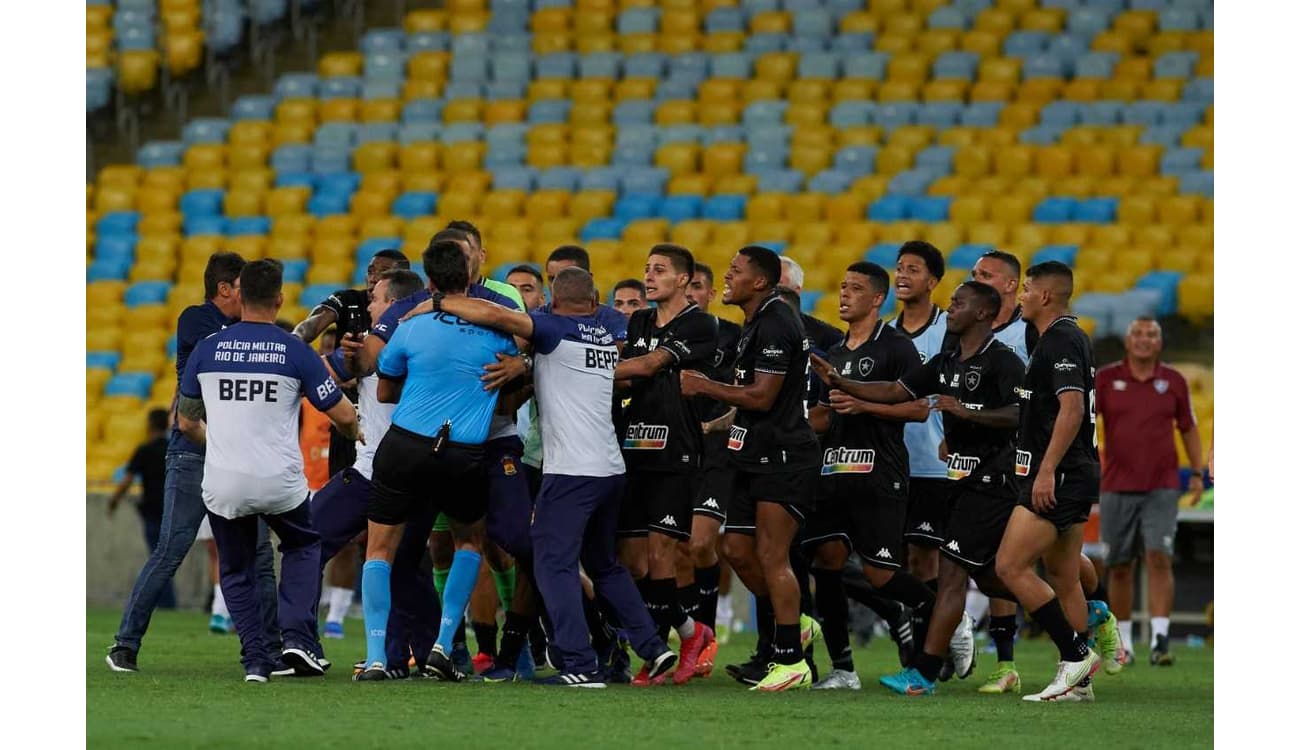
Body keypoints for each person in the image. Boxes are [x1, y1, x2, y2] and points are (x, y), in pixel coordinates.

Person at [432, 266, 679, 688]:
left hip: (571, 472)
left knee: (552, 563)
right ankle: (654, 648)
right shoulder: (601, 336)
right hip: (609, 468)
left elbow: (499, 317)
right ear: (594, 300)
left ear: (554, 301)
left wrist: (440, 301)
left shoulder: (551, 327)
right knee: (604, 564)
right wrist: (525, 364)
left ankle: (579, 663)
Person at [820, 282, 1026, 696]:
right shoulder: (946, 358)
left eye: (959, 303)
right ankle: (1065, 617)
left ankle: (925, 672)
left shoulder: (1003, 359)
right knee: (986, 577)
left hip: (987, 480)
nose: (951, 308)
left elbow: (1020, 413)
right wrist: (846, 385)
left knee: (952, 571)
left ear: (984, 313)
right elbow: (898, 390)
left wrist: (967, 413)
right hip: (954, 477)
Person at [176, 259, 361, 682]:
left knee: (236, 568)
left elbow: (186, 420)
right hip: (280, 481)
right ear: (279, 299)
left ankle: (256, 661)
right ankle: (296, 638)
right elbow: (342, 413)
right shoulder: (294, 349)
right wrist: (355, 428)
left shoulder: (207, 348)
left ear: (239, 298)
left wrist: (220, 443)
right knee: (304, 545)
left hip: (224, 480)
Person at [107, 252, 281, 674]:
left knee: (259, 554)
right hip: (194, 450)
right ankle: (125, 644)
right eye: (243, 287)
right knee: (171, 548)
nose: (250, 297)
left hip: (234, 450)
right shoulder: (195, 319)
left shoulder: (242, 327)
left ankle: (273, 650)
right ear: (224, 289)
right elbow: (240, 349)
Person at [354, 241, 519, 681]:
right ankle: (444, 646)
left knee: (380, 551)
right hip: (463, 452)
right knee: (469, 542)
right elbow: (515, 378)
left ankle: (374, 657)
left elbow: (385, 386)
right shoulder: (498, 332)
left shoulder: (410, 327)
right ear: (469, 277)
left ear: (428, 282)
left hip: (406, 444)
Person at [679, 245, 822, 692]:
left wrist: (706, 386)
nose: (727, 277)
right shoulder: (758, 320)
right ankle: (793, 621)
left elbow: (762, 397)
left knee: (772, 556)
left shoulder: (777, 322)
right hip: (751, 453)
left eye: (735, 271)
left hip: (782, 457)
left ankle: (791, 659)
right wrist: (720, 424)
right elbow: (757, 399)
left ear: (760, 281)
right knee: (736, 549)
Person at [798, 263, 935, 691]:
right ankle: (843, 669)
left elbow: (918, 408)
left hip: (880, 473)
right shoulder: (834, 353)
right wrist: (789, 427)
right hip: (834, 470)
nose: (844, 294)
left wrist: (864, 406)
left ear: (878, 298)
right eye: (842, 286)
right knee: (824, 560)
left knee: (880, 576)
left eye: (855, 288)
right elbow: (824, 416)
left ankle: (948, 614)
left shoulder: (896, 346)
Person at [309, 268, 446, 678]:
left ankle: (298, 641)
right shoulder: (424, 342)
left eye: (375, 297)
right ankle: (422, 654)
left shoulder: (386, 345)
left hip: (377, 471)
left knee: (308, 542)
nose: (368, 304)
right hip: (419, 472)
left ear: (393, 303)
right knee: (406, 566)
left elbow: (331, 373)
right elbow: (330, 369)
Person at [994, 261, 1102, 702]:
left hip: (1060, 473)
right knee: (1062, 573)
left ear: (1044, 296)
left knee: (1010, 566)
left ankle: (1076, 655)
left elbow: (1072, 409)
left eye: (1025, 290)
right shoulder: (1062, 336)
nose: (1020, 296)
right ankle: (1080, 685)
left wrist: (1045, 470)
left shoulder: (1059, 339)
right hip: (1074, 470)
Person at [611, 244, 718, 685]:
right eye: (647, 268)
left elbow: (652, 363)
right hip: (634, 449)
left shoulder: (700, 323)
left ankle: (658, 651)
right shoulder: (639, 321)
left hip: (677, 451)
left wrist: (588, 368)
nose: (649, 277)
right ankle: (692, 633)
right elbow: (630, 373)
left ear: (683, 280)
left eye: (659, 270)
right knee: (634, 562)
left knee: (661, 555)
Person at [1096, 316, 1204, 667]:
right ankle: (1124, 642)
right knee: (1120, 564)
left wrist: (1198, 472)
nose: (1144, 340)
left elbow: (1188, 428)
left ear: (1160, 342)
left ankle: (1160, 639)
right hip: (1116, 486)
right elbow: (1082, 421)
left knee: (1159, 557)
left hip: (1162, 486)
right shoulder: (1106, 379)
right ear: (1128, 341)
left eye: (1151, 335)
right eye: (1137, 333)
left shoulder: (1173, 381)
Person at [684, 262, 742, 646]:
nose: (691, 294)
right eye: (686, 287)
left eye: (698, 287)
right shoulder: (658, 336)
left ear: (710, 293)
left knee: (703, 542)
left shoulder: (735, 336)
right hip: (672, 450)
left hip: (718, 451)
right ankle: (690, 631)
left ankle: (708, 622)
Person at [106, 408, 176, 611]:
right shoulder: (173, 448)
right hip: (172, 510)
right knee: (166, 557)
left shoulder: (144, 449)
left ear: (150, 425)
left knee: (158, 557)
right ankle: (167, 602)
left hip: (152, 512)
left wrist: (113, 501)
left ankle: (165, 603)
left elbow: (127, 480)